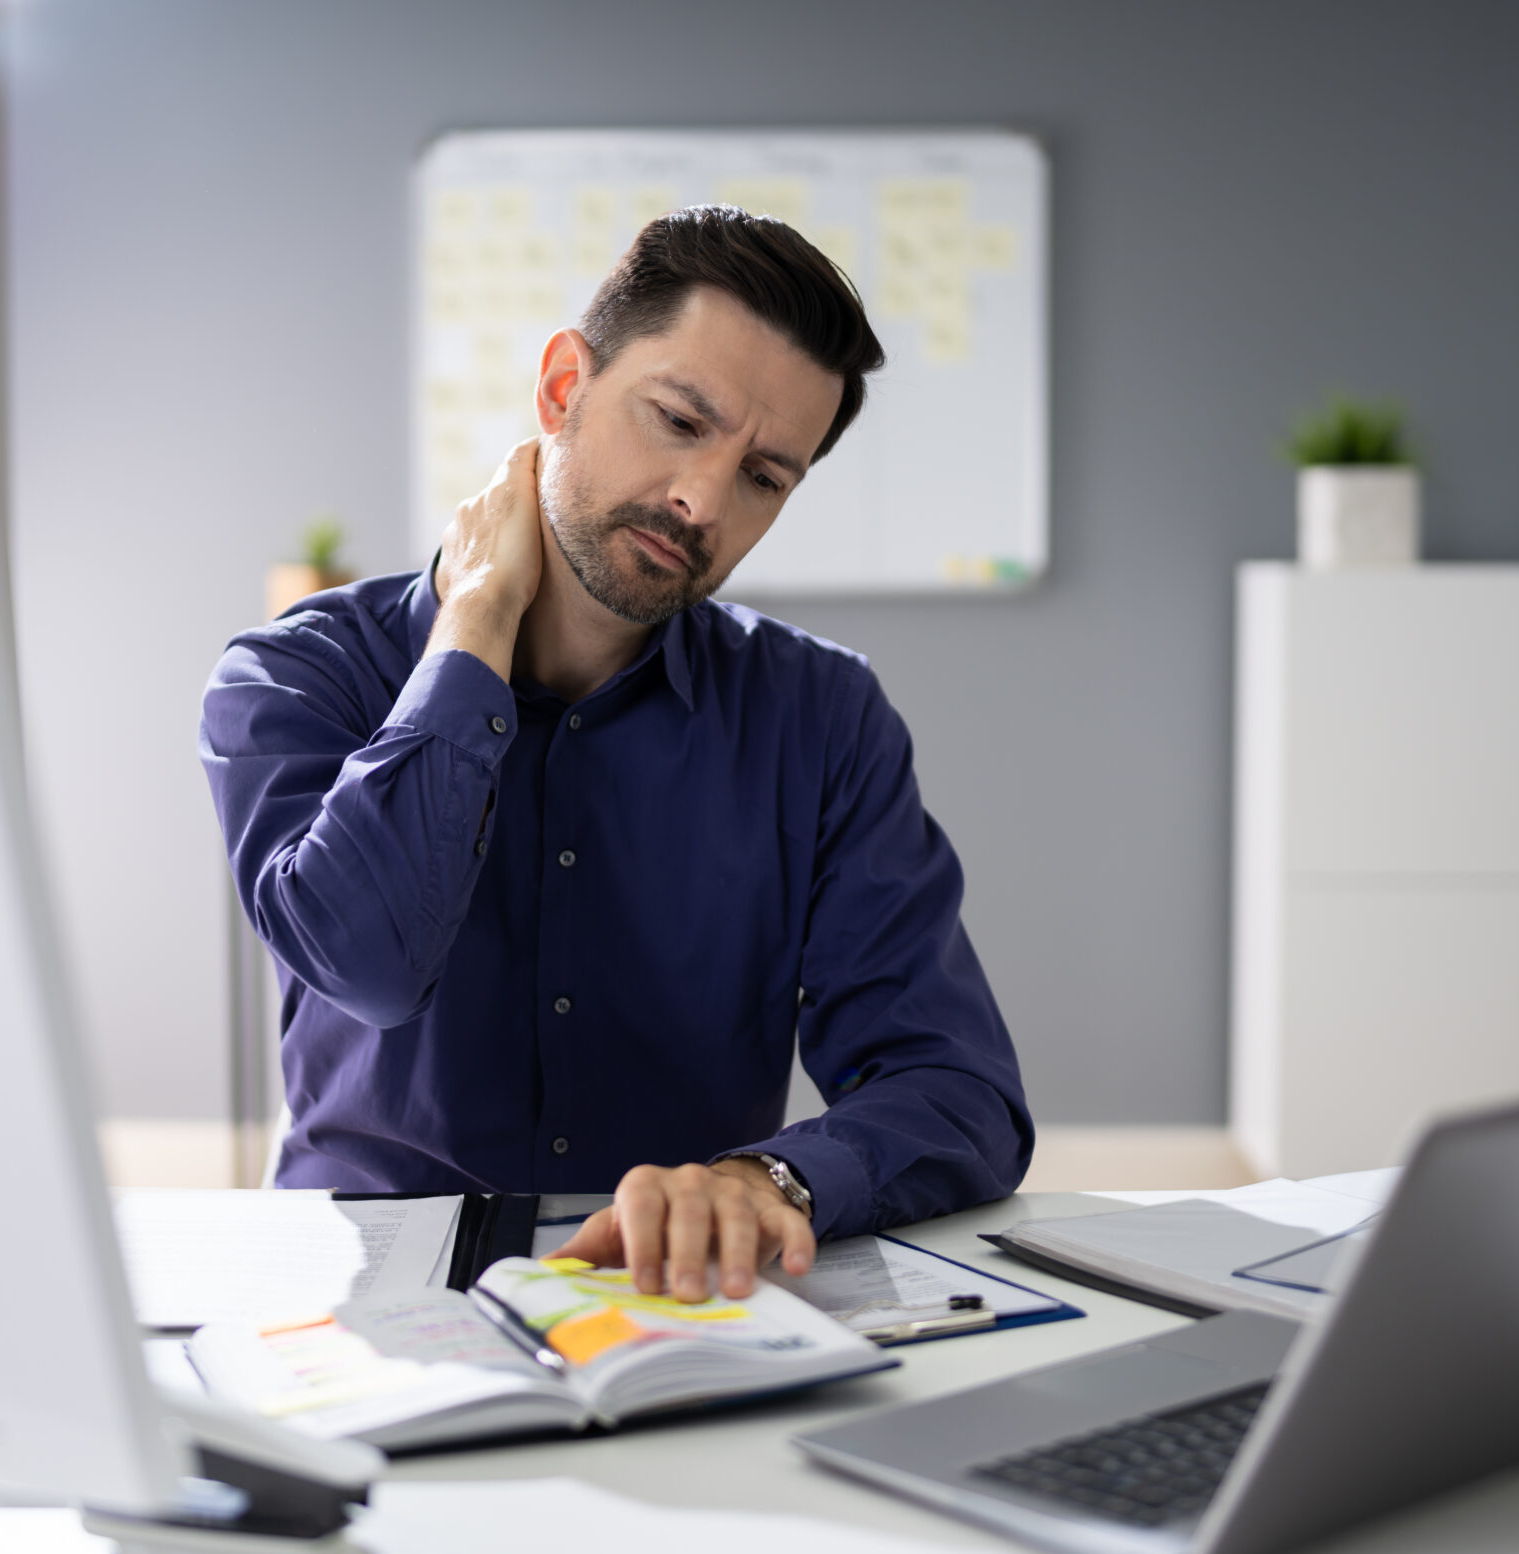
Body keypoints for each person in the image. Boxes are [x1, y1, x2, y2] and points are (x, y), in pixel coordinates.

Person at [201, 206, 1030, 1304]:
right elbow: (370, 965)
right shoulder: (295, 678)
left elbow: (955, 1087)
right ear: (561, 389)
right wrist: (473, 633)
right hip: (363, 1295)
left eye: (763, 478)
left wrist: (769, 1178)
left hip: (671, 1299)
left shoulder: (821, 715)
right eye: (680, 419)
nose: (702, 500)